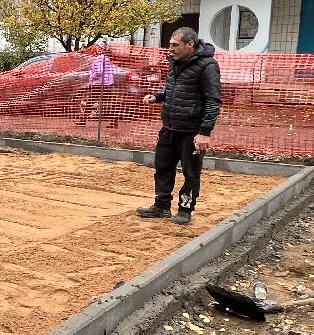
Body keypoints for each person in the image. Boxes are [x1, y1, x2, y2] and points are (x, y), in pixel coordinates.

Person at [137, 27, 221, 226]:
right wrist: (157, 97)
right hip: (169, 126)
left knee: (191, 173)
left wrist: (204, 132)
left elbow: (213, 100)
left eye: (175, 45)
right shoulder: (174, 63)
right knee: (162, 167)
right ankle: (161, 206)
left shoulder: (208, 66)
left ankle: (185, 209)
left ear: (190, 44)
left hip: (191, 131)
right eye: (170, 45)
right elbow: (174, 90)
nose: (170, 49)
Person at [75, 49, 118, 128]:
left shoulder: (99, 58)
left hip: (99, 84)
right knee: (107, 103)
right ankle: (114, 122)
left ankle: (83, 121)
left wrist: (92, 77)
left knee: (90, 102)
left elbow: (99, 71)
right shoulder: (107, 60)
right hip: (107, 84)